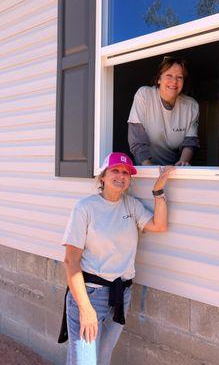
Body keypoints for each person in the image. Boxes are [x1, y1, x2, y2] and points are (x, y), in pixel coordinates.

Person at [59, 152, 174, 365]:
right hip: (90, 294)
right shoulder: (85, 207)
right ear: (102, 176)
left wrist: (158, 190)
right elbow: (71, 261)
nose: (121, 176)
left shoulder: (131, 206)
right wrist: (85, 309)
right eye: (115, 171)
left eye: (126, 173)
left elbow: (159, 225)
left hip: (121, 295)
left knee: (102, 359)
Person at [128, 56, 199, 166]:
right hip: (146, 167)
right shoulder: (144, 95)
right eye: (169, 75)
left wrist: (183, 162)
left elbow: (190, 142)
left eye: (179, 77)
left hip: (174, 169)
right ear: (159, 79)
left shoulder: (191, 106)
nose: (174, 81)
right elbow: (137, 140)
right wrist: (150, 168)